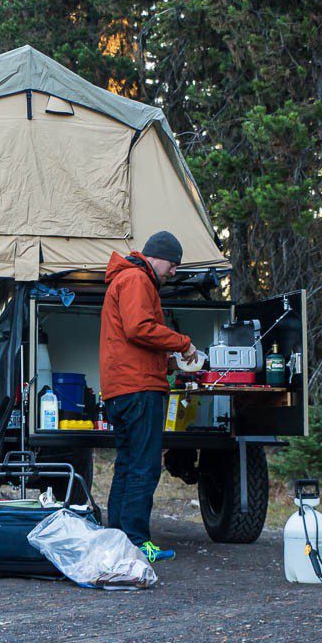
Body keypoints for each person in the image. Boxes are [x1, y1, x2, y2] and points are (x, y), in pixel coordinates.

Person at [99, 231, 198, 562]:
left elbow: (133, 338)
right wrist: (182, 343)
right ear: (157, 258)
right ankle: (138, 541)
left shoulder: (125, 279)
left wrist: (167, 360)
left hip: (122, 387)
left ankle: (119, 540)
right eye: (173, 265)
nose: (174, 272)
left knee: (127, 464)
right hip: (139, 388)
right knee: (143, 466)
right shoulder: (137, 279)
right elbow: (139, 327)